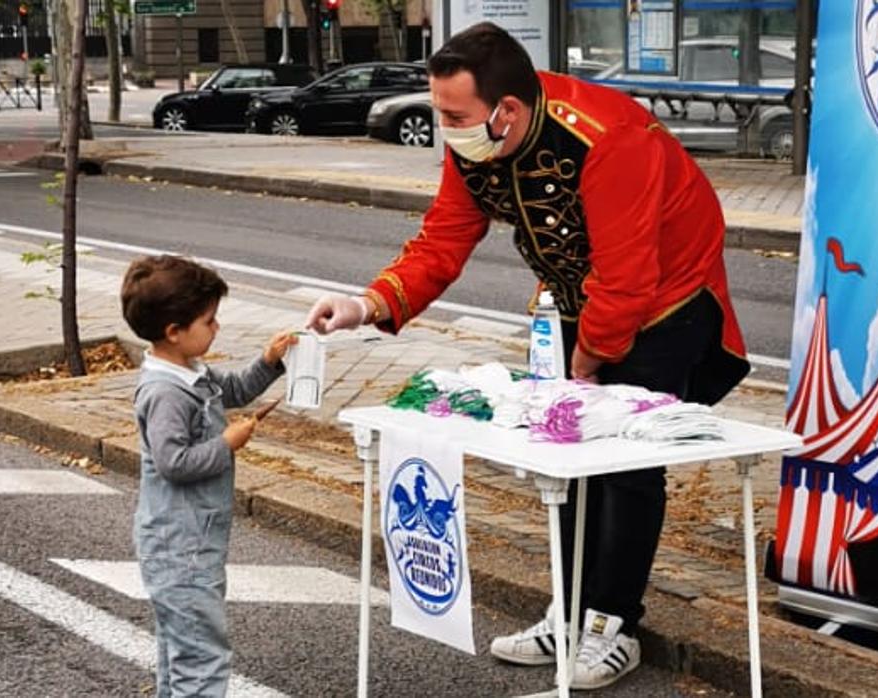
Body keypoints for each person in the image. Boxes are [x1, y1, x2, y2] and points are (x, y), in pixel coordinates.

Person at [305, 22, 750, 690]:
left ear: (506, 110)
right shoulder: (475, 138)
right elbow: (442, 241)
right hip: (575, 298)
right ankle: (568, 609)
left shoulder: (608, 137)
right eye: (439, 112)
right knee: (564, 454)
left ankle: (611, 622)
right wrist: (368, 305)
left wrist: (587, 363)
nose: (443, 129)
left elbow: (627, 278)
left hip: (666, 304)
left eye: (454, 115)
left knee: (625, 467)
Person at [121, 255, 296, 697]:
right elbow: (173, 463)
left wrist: (269, 362)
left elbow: (233, 390)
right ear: (174, 331)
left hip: (190, 540)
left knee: (180, 647)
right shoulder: (165, 392)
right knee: (200, 656)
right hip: (179, 547)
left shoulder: (190, 370)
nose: (216, 328)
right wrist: (227, 444)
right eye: (209, 321)